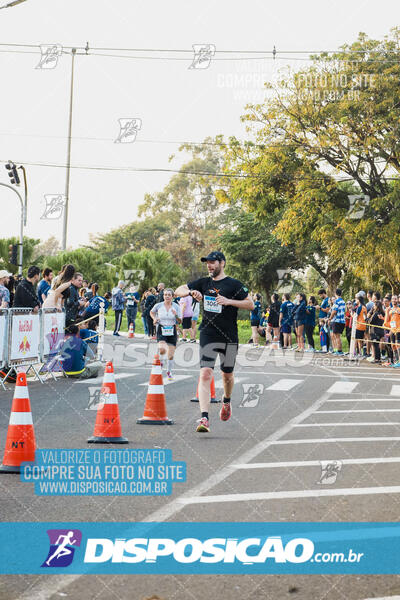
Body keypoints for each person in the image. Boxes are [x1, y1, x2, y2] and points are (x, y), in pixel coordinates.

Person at [175, 250, 254, 433]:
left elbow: (250, 304)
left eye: (213, 262)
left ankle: (226, 401)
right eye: (207, 263)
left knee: (227, 375)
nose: (209, 266)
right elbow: (179, 290)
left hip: (229, 335)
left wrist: (228, 301)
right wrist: (190, 292)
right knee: (205, 374)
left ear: (222, 263)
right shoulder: (203, 283)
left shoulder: (234, 284)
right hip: (208, 333)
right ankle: (204, 417)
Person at [150, 288, 182, 380]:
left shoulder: (176, 306)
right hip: (161, 328)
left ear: (172, 296)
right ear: (163, 296)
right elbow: (151, 312)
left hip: (172, 330)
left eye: (169, 295)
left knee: (171, 355)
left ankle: (169, 372)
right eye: (165, 295)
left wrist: (176, 315)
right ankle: (161, 362)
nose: (167, 296)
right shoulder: (158, 305)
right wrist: (154, 318)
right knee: (162, 350)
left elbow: (180, 321)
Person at [329, 288, 346, 355]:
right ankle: (339, 350)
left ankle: (339, 350)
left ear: (335, 293)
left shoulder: (337, 301)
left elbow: (334, 311)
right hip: (342, 321)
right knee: (338, 336)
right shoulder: (343, 301)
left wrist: (330, 318)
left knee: (336, 336)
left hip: (337, 320)